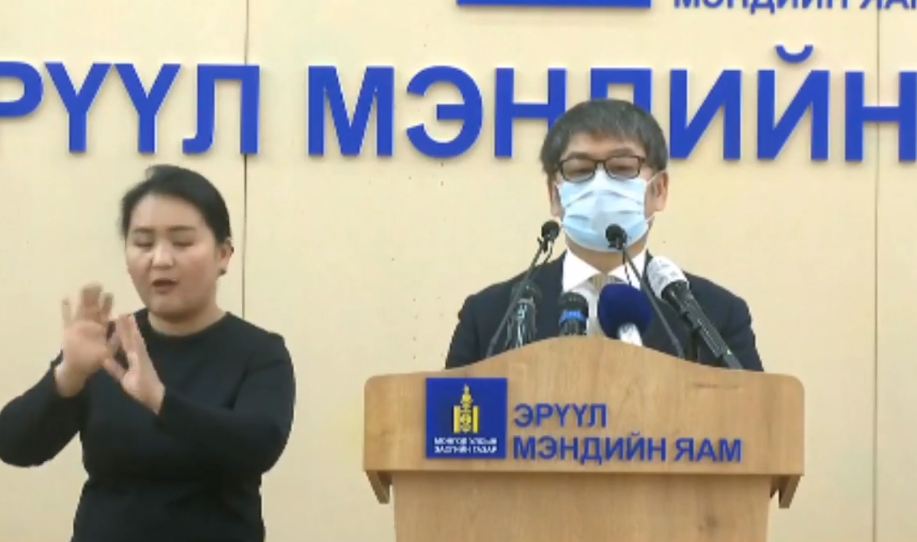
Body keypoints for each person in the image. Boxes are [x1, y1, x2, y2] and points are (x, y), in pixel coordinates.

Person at [0, 165, 296, 542]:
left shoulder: (259, 352)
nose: (160, 259)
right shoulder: (106, 347)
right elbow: (15, 446)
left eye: (182, 242)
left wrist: (160, 400)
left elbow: (257, 447)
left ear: (223, 255)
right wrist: (68, 375)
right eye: (142, 243)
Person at [445, 99, 763, 371]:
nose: (600, 185)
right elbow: (450, 418)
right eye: (580, 170)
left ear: (659, 190)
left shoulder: (716, 315)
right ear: (555, 196)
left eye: (622, 167)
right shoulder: (490, 317)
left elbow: (752, 417)